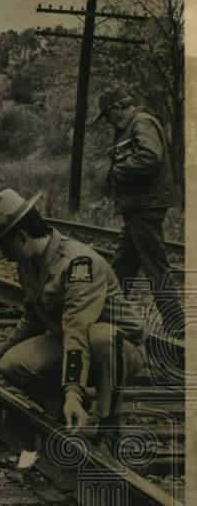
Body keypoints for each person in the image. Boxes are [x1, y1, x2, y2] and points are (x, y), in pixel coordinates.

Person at [0, 189, 146, 436]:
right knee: (12, 365)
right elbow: (33, 317)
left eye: (4, 246)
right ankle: (70, 413)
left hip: (117, 350)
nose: (4, 255)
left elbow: (77, 330)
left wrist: (72, 391)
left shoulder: (79, 264)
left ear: (22, 237)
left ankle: (109, 419)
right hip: (71, 341)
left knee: (100, 336)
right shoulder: (28, 264)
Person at [95, 85, 181, 335]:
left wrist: (113, 172)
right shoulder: (132, 126)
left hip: (146, 205)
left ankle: (177, 324)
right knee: (123, 264)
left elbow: (149, 158)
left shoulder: (141, 122)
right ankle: (104, 313)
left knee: (155, 265)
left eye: (108, 116)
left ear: (115, 108)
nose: (109, 122)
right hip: (138, 205)